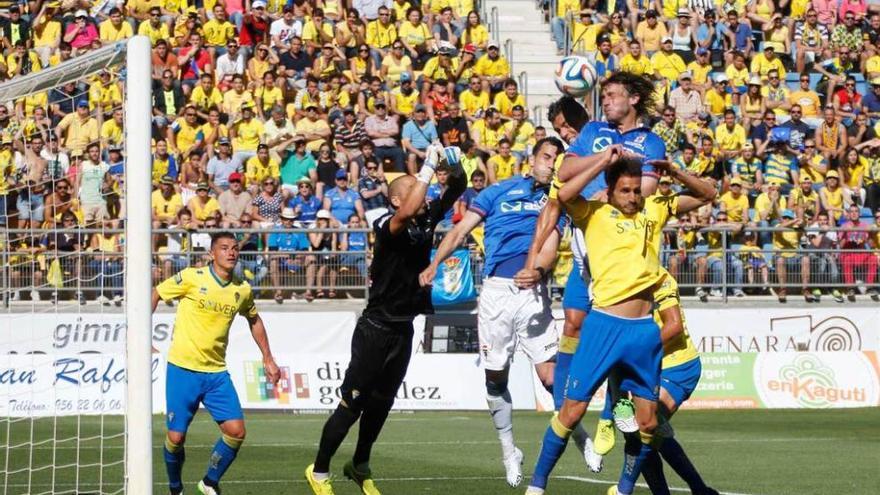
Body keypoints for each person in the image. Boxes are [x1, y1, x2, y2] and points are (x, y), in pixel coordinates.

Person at [525, 155, 715, 495]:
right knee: (572, 411)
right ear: (610, 192)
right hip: (604, 326)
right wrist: (599, 165)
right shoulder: (593, 214)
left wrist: (673, 171)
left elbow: (706, 195)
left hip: (643, 332)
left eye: (635, 191)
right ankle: (537, 486)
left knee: (648, 423)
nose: (632, 197)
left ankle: (624, 489)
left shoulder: (654, 209)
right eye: (624, 191)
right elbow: (563, 197)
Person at [305, 144, 464, 494]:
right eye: (417, 191)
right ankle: (318, 471)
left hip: (403, 328)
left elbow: (457, 186)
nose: (426, 195)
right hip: (374, 329)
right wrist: (425, 169)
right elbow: (407, 209)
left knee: (381, 404)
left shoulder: (425, 217)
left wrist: (453, 162)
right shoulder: (389, 224)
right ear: (397, 200)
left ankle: (359, 464)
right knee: (353, 403)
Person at [418, 138, 565, 488]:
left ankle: (582, 439)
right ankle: (508, 450)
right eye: (546, 157)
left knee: (550, 377)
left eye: (557, 160)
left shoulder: (559, 199)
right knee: (495, 380)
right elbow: (459, 231)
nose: (551, 165)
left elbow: (553, 246)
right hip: (497, 292)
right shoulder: (497, 192)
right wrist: (434, 265)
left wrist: (540, 271)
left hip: (533, 290)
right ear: (532, 159)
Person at [153, 232, 280, 495]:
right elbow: (155, 293)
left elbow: (254, 320)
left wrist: (268, 358)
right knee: (175, 439)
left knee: (236, 432)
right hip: (182, 370)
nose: (231, 252)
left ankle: (209, 482)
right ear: (212, 254)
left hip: (216, 373)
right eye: (224, 248)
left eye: (234, 248)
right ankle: (175, 488)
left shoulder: (241, 289)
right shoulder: (191, 277)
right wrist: (141, 335)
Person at [586, 270, 719, 495]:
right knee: (647, 434)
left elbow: (674, 328)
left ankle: (623, 490)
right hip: (643, 367)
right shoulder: (607, 281)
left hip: (676, 365)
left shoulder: (657, 277)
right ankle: (697, 491)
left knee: (643, 427)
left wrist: (634, 351)